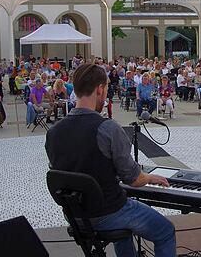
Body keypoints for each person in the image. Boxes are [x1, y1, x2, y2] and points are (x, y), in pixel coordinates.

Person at [45, 64, 176, 257]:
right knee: (165, 232)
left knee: (123, 231)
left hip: (76, 215)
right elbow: (133, 179)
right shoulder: (107, 128)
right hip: (108, 213)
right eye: (105, 89)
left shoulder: (53, 132)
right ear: (99, 89)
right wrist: (150, 177)